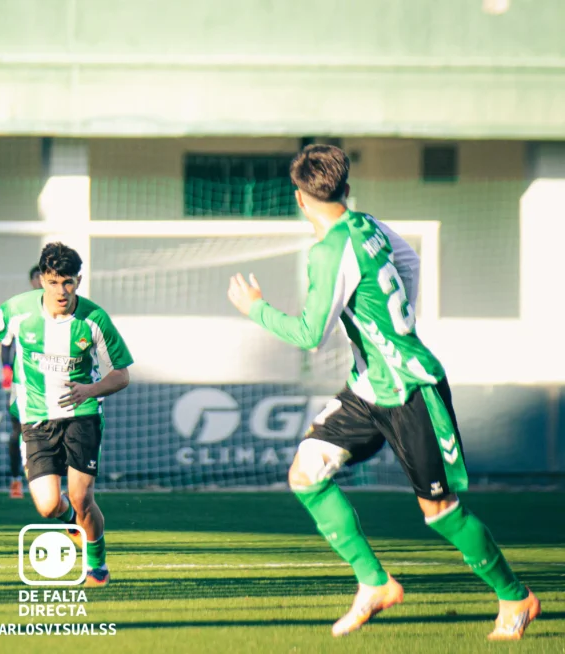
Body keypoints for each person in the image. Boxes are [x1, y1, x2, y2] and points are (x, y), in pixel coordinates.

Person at [227, 144, 539, 640]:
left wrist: (257, 310)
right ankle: (374, 583)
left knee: (439, 512)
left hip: (410, 389)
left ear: (299, 199)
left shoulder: (330, 251)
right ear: (345, 189)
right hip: (368, 386)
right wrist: (399, 325)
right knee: (306, 473)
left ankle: (514, 596)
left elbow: (310, 333)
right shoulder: (367, 225)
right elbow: (409, 261)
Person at [0, 242, 132, 587]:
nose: (61, 291)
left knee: (81, 497)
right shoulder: (17, 310)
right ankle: (72, 521)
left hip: (83, 415)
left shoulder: (94, 319)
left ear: (78, 280)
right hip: (35, 417)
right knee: (48, 506)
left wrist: (91, 390)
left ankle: (97, 564)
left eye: (69, 283)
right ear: (42, 280)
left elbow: (121, 373)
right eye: (53, 282)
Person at [3, 264, 43, 498]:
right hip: (22, 383)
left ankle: (51, 481)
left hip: (50, 383)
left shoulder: (60, 310)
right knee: (18, 430)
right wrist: (7, 368)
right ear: (32, 281)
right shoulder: (20, 310)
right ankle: (15, 479)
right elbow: (4, 341)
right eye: (37, 277)